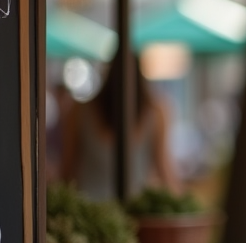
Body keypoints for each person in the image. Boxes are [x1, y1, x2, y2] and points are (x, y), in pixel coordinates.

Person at [61, 65, 180, 201]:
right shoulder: (156, 113)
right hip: (109, 212)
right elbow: (166, 172)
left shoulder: (79, 111)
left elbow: (67, 172)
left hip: (93, 210)